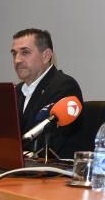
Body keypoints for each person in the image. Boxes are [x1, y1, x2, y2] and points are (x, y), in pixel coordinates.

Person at [11, 28, 83, 158]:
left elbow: (48, 144)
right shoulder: (16, 91)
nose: (17, 60)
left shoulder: (64, 86)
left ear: (46, 55)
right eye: (14, 54)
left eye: (25, 53)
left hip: (53, 172)